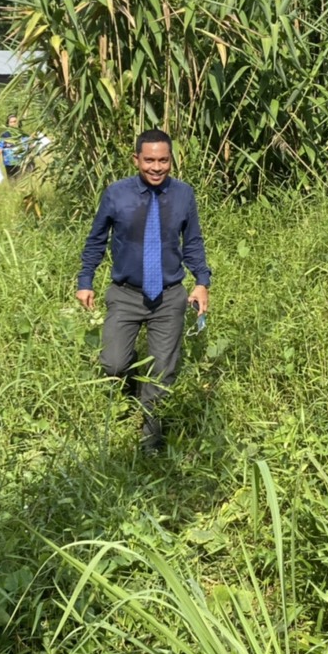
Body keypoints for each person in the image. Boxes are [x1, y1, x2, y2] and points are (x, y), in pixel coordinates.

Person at [76, 129, 211, 452]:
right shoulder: (116, 194)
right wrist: (85, 281)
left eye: (163, 160)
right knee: (114, 364)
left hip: (169, 296)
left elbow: (192, 242)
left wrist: (202, 282)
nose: (156, 167)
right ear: (136, 159)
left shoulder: (183, 195)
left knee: (162, 371)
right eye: (149, 160)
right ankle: (132, 391)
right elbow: (96, 240)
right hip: (125, 294)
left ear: (171, 160)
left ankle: (152, 440)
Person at [0, 114, 29, 181]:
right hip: (9, 163)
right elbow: (0, 148)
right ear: (8, 124)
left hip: (21, 163)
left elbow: (28, 146)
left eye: (15, 121)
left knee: (21, 181)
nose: (13, 123)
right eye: (11, 122)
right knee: (12, 182)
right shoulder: (4, 135)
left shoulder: (23, 134)